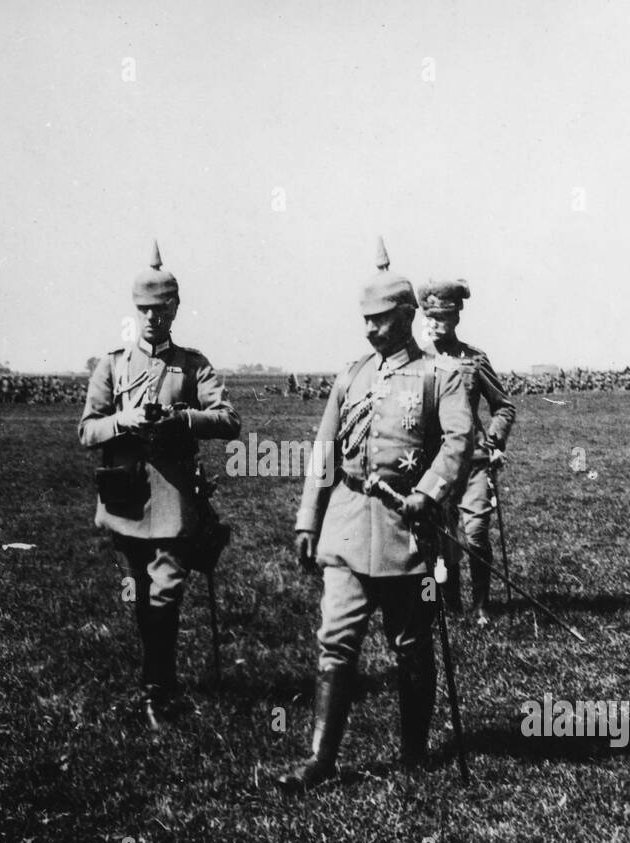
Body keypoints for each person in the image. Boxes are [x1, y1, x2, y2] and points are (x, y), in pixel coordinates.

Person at [281, 238, 472, 793]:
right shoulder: (351, 376)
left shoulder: (442, 376)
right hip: (345, 528)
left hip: (406, 533)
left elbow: (458, 443)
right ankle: (320, 760)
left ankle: (414, 752)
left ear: (408, 316)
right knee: (335, 640)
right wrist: (306, 520)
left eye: (381, 320)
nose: (369, 330)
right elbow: (323, 452)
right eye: (364, 320)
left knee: (410, 645)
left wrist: (430, 495)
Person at [78, 241, 241, 729]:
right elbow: (87, 430)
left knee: (166, 589)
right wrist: (125, 420)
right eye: (143, 309)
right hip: (127, 496)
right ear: (135, 311)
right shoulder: (112, 365)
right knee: (144, 590)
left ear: (174, 308)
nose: (151, 318)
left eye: (160, 308)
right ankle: (159, 683)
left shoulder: (192, 365)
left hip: (173, 499)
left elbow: (229, 420)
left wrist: (183, 421)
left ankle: (155, 691)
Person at [418, 278, 516, 614]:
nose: (432, 324)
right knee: (440, 539)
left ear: (455, 318)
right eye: (427, 317)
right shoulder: (418, 363)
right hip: (435, 465)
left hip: (474, 462)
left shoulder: (474, 359)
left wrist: (494, 442)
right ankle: (448, 606)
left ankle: (481, 607)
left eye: (440, 318)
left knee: (475, 533)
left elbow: (503, 405)